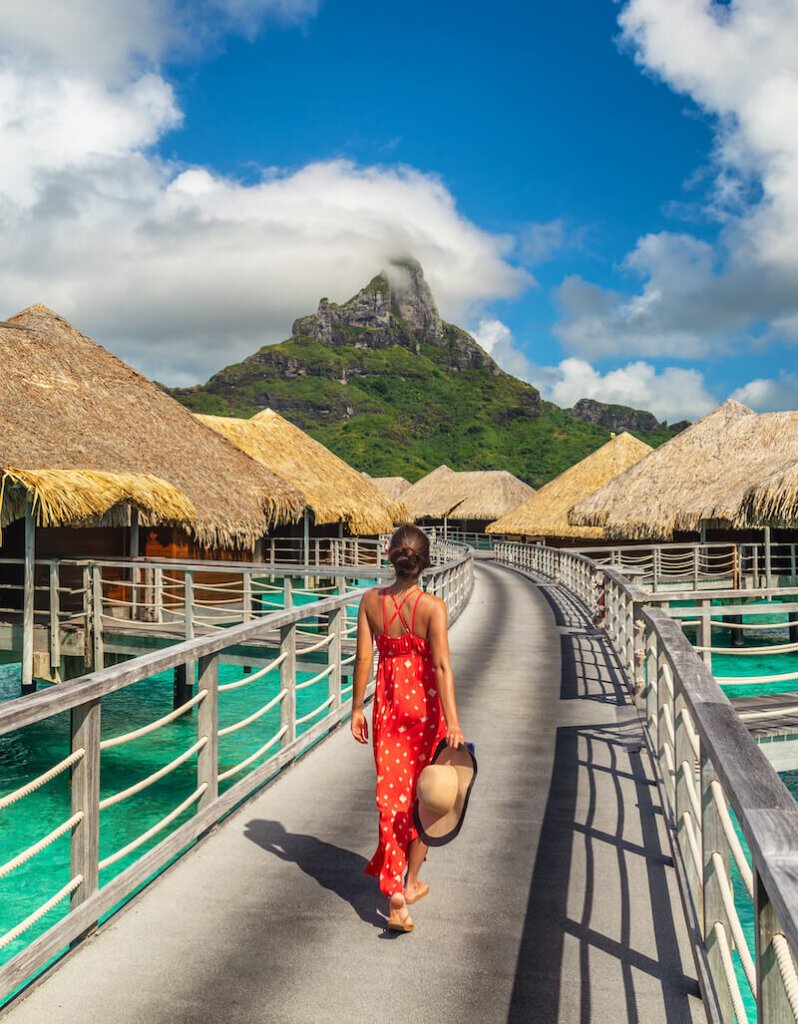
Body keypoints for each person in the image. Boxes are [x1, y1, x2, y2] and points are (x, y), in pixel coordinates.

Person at [350, 524, 465, 932]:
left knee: (393, 796)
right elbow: (441, 667)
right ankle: (405, 883)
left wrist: (356, 709)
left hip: (389, 710)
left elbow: (363, 660)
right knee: (426, 795)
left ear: (391, 557)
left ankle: (403, 885)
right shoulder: (433, 607)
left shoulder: (370, 602)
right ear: (424, 561)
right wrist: (453, 722)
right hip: (428, 712)